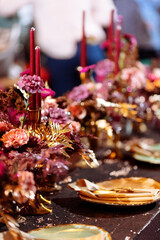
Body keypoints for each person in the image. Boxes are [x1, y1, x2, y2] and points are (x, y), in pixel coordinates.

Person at [0, 0, 116, 96]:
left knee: (67, 105)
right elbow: (106, 15)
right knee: (98, 98)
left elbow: (5, 7)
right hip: (83, 42)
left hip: (62, 47)